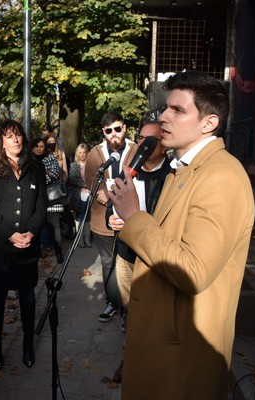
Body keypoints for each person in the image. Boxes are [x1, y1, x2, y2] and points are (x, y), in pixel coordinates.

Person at [109, 70, 255, 399]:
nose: (163, 116)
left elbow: (191, 270)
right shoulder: (186, 168)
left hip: (181, 359)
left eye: (177, 110)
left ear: (209, 122)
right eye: (165, 108)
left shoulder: (222, 177)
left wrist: (134, 217)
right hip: (162, 347)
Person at [105, 121, 171, 383]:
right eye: (140, 138)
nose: (142, 144)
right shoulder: (127, 172)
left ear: (163, 146)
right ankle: (130, 357)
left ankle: (153, 360)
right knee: (130, 312)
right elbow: (113, 207)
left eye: (150, 140)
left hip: (155, 258)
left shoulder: (173, 175)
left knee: (153, 314)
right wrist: (112, 219)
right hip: (127, 254)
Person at [0, 120, 47, 370]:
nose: (16, 140)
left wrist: (31, 232)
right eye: (9, 136)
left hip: (28, 249)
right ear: (2, 140)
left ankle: (28, 347)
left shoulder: (35, 167)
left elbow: (41, 206)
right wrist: (11, 235)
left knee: (28, 299)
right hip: (2, 247)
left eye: (18, 135)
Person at [84, 111, 136, 323]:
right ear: (103, 133)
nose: (114, 134)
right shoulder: (95, 154)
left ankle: (128, 308)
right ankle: (112, 303)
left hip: (130, 220)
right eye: (109, 131)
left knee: (128, 264)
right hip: (102, 220)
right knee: (108, 263)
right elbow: (90, 180)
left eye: (117, 128)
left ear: (124, 127)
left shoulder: (135, 150)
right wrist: (100, 192)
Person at [32, 137, 65, 263]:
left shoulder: (50, 158)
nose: (39, 149)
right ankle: (42, 250)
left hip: (52, 198)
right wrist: (43, 172)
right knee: (39, 225)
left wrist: (39, 178)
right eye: (37, 146)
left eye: (41, 146)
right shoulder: (30, 160)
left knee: (55, 225)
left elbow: (55, 174)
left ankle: (59, 251)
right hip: (37, 200)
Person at [69, 143, 91, 248]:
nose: (82, 155)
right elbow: (73, 180)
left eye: (84, 152)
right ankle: (79, 239)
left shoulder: (91, 165)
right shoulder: (74, 165)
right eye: (80, 153)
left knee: (89, 217)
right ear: (77, 154)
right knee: (80, 216)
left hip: (90, 195)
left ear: (87, 153)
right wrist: (87, 185)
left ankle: (87, 239)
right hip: (79, 194)